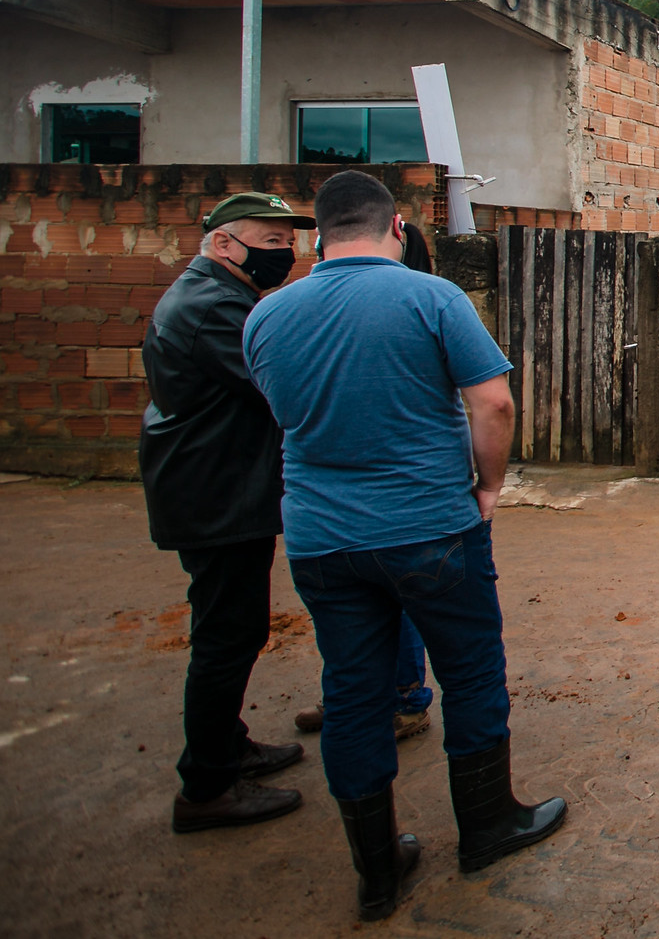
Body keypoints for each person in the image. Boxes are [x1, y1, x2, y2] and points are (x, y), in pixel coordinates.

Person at [245, 172, 564, 922]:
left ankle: (378, 869)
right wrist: (488, 486)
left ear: (318, 236)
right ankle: (487, 826)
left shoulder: (267, 314)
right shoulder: (432, 298)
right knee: (471, 672)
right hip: (430, 527)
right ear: (396, 228)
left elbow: (282, 411)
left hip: (322, 539)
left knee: (353, 693)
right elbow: (493, 401)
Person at [139, 191, 315, 835]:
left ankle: (227, 745)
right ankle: (207, 786)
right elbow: (280, 383)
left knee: (231, 627)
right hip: (214, 493)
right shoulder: (213, 307)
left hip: (215, 483)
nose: (284, 254)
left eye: (288, 243)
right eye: (270, 243)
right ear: (223, 243)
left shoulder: (217, 295)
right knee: (226, 635)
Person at [292, 220, 437, 744]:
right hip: (356, 498)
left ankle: (397, 697)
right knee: (366, 608)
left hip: (385, 496)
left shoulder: (423, 304)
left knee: (390, 601)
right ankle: (362, 698)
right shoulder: (319, 306)